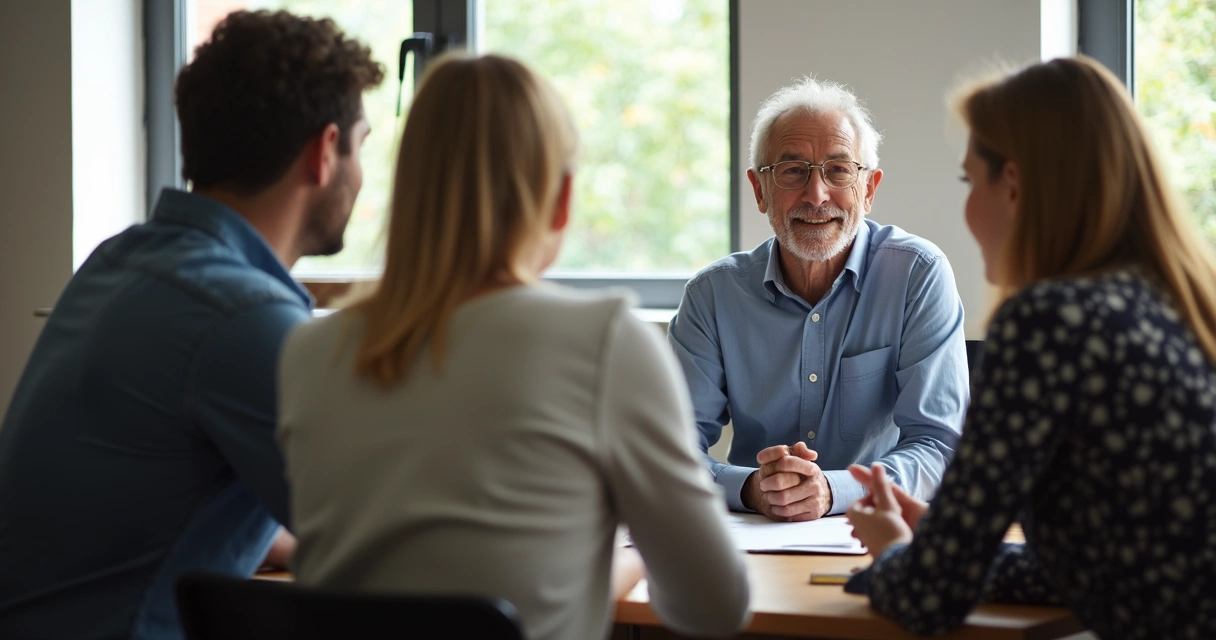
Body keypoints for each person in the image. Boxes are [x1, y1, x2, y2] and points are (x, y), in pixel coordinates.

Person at [276, 53, 751, 640]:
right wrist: (612, 560)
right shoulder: (602, 341)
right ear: (561, 198)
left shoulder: (308, 352)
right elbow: (715, 606)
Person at [0, 11, 383, 639]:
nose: (362, 174)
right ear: (324, 152)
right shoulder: (242, 316)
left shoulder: (121, 262)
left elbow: (152, 509)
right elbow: (381, 539)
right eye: (361, 146)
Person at [846, 56, 1216, 639]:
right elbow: (1105, 567)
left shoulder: (1048, 324)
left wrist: (896, 552)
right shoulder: (1181, 307)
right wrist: (936, 546)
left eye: (971, 181)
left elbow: (928, 599)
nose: (967, 207)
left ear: (1012, 185)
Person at [669, 77, 969, 522]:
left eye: (839, 169)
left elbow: (940, 446)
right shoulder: (713, 295)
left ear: (869, 189)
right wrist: (750, 487)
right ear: (759, 190)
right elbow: (667, 450)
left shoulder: (917, 274)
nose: (816, 194)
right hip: (752, 533)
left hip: (875, 532)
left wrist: (834, 490)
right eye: (792, 171)